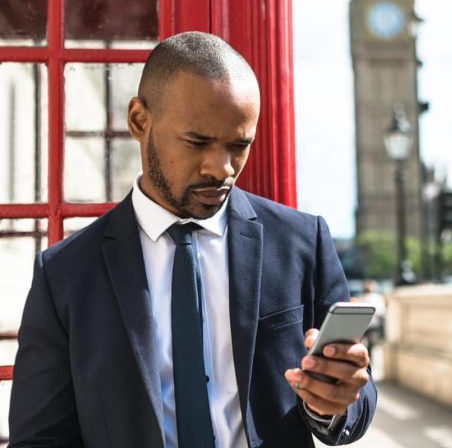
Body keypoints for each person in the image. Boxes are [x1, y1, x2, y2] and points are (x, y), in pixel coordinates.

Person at [9, 32, 376, 447]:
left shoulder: (302, 241)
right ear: (139, 122)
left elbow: (357, 395)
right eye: (197, 142)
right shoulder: (64, 275)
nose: (221, 168)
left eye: (239, 146)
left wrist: (333, 404)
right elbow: (39, 438)